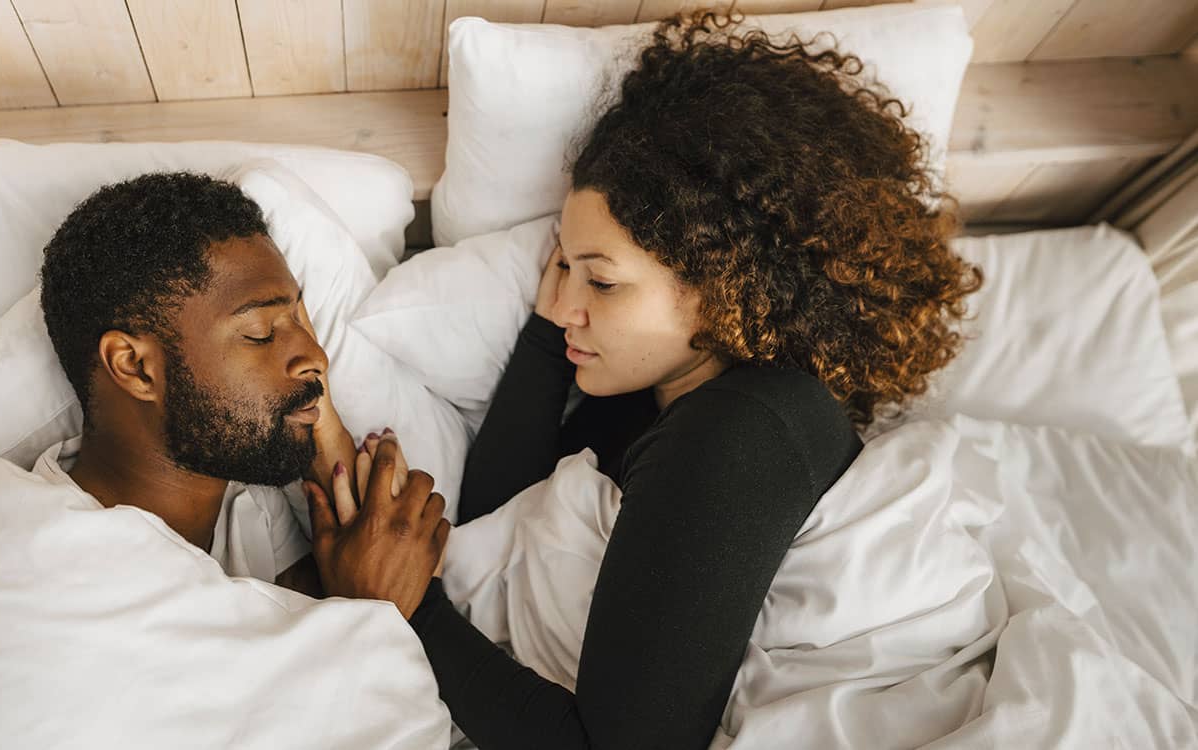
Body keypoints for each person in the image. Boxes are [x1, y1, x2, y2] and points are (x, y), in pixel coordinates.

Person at [305, 12, 984, 748]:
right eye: (562, 264)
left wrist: (410, 609)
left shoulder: (744, 426)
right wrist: (544, 335)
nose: (567, 303)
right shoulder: (652, 392)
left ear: (726, 288)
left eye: (601, 282)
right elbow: (505, 527)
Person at [38, 170, 439, 592]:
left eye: (298, 319)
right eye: (260, 332)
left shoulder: (243, 501)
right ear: (135, 366)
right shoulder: (59, 576)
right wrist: (378, 606)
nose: (317, 357)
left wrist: (327, 452)